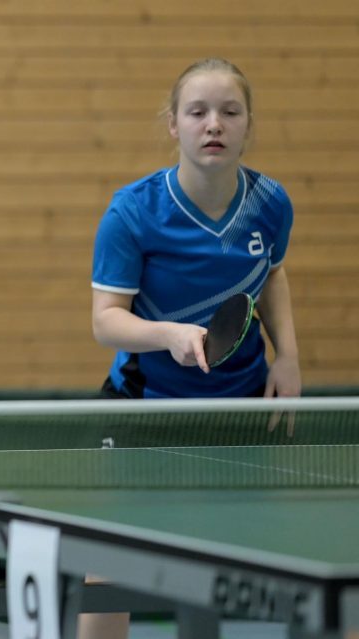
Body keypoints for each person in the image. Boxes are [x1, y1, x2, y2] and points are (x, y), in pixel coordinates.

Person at [86, 57, 301, 638]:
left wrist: (288, 357)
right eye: (198, 112)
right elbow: (107, 321)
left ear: (248, 125)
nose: (214, 124)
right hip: (148, 403)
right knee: (112, 564)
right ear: (174, 124)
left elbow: (273, 274)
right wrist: (170, 336)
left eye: (230, 112)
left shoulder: (270, 202)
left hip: (240, 404)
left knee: (301, 557)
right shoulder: (132, 212)